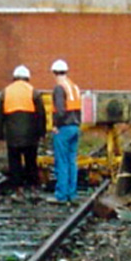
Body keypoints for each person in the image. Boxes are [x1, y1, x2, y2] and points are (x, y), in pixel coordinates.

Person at [0, 65, 46, 194]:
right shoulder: (33, 92)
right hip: (30, 135)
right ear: (27, 78)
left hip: (12, 135)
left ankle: (18, 187)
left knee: (14, 161)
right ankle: (33, 185)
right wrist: (41, 132)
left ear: (14, 78)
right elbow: (41, 114)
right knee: (30, 161)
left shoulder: (5, 92)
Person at [50, 58, 82, 203]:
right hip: (75, 127)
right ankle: (72, 193)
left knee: (61, 162)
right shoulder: (73, 87)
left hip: (63, 128)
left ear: (54, 73)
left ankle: (61, 195)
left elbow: (60, 110)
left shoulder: (59, 88)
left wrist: (56, 125)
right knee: (71, 161)